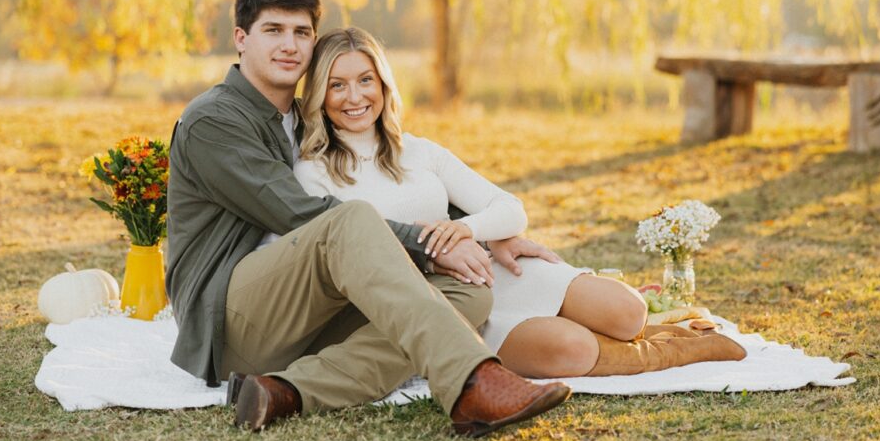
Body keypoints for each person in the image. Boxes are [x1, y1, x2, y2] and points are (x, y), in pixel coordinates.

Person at [166, 0, 570, 435]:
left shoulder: (302, 119)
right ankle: (472, 382)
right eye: (273, 30)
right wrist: (431, 243)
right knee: (349, 220)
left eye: (301, 33)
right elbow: (301, 215)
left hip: (299, 311)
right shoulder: (213, 121)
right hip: (230, 319)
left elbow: (375, 184)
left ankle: (284, 391)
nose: (289, 45)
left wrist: (471, 231)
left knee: (468, 293)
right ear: (240, 38)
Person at [295, 27, 747, 379]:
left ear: (383, 84)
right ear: (319, 94)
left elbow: (509, 207)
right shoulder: (313, 171)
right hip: (441, 301)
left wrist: (469, 230)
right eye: (337, 85)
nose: (354, 97)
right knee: (573, 349)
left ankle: (663, 331)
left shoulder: (420, 150)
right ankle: (683, 347)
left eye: (365, 80)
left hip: (492, 269)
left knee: (627, 311)